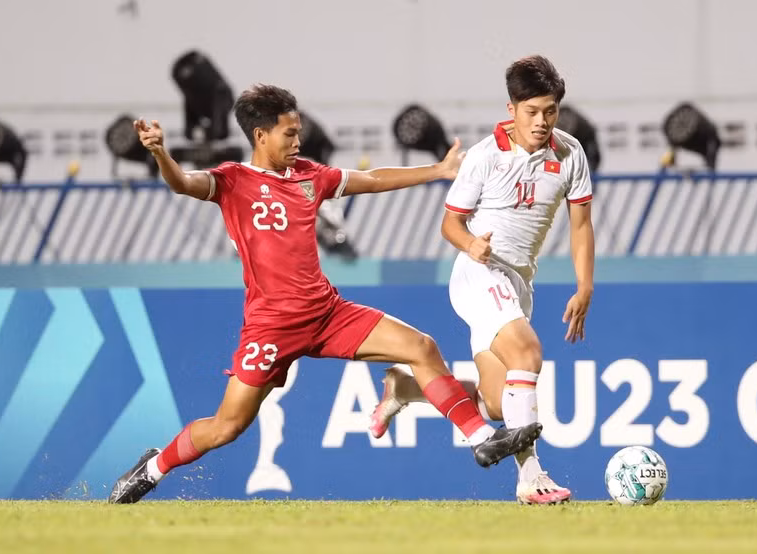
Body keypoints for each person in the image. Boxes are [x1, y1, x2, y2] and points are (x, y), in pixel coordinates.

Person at [108, 84, 542, 504]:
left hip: (327, 312)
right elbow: (182, 182)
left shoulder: (309, 176)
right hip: (271, 326)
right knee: (227, 427)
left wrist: (438, 171)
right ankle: (152, 468)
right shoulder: (232, 181)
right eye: (290, 133)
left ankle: (482, 438)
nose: (298, 141)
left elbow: (371, 178)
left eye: (298, 132)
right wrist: (160, 152)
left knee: (420, 347)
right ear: (261, 135)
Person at [368, 55, 595, 505]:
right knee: (527, 353)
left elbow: (582, 225)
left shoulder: (570, 153)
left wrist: (584, 285)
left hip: (517, 285)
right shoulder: (483, 157)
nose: (542, 121)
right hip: (479, 273)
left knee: (496, 403)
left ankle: (407, 387)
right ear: (512, 109)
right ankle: (532, 479)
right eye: (532, 111)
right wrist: (471, 244)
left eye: (550, 111)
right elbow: (450, 225)